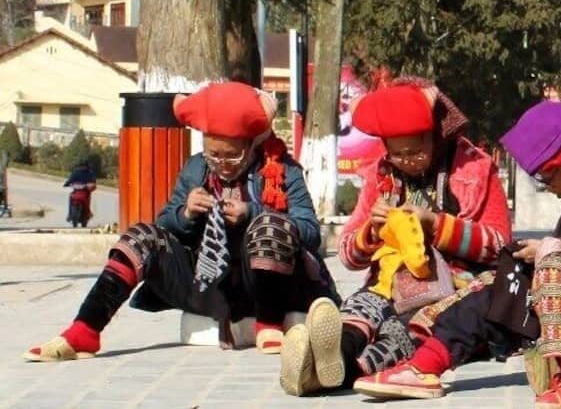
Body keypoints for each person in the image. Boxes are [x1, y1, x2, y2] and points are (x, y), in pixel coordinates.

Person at [352, 101, 561, 406]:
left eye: (547, 177)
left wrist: (546, 249)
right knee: (505, 284)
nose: (548, 188)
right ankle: (426, 365)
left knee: (555, 265)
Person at [23, 82, 338, 362]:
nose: (222, 165)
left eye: (231, 156)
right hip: (207, 282)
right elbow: (165, 225)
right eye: (213, 155)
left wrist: (251, 213)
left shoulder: (283, 171)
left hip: (267, 285)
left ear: (251, 145)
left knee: (270, 224)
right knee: (140, 237)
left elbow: (311, 232)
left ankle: (269, 324)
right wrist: (186, 213)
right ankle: (84, 329)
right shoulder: (195, 169)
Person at [279, 79, 511, 396]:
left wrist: (438, 226)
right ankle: (329, 354)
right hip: (388, 285)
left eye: (416, 151)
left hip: (452, 290)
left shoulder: (475, 169)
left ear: (437, 136)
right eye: (397, 152)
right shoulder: (382, 173)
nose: (405, 161)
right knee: (363, 307)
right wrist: (371, 232)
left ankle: (338, 372)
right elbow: (348, 255)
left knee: (399, 331)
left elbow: (499, 245)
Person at [64, 161, 98, 227]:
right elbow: (70, 179)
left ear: (87, 166)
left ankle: (87, 215)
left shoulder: (90, 173)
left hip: (86, 191)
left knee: (87, 202)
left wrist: (91, 184)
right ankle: (70, 214)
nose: (82, 167)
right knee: (70, 196)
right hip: (76, 191)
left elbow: (93, 181)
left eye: (84, 166)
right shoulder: (76, 172)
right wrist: (67, 183)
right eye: (81, 166)